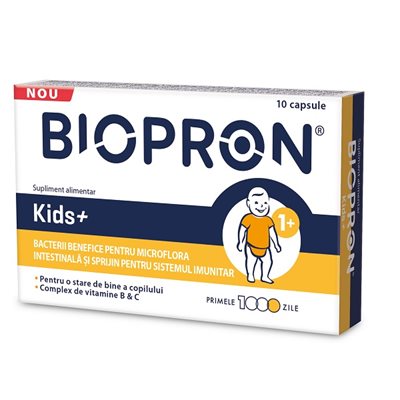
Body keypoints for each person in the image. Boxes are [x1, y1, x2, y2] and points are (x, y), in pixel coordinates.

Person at [237, 187, 281, 283]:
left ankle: (265, 276)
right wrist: (240, 242)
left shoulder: (268, 220)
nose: (261, 206)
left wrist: (276, 244)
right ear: (248, 203)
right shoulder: (248, 218)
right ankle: (250, 274)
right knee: (251, 261)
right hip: (251, 246)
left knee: (268, 261)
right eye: (256, 203)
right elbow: (242, 231)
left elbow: (272, 233)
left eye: (265, 203)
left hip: (265, 247)